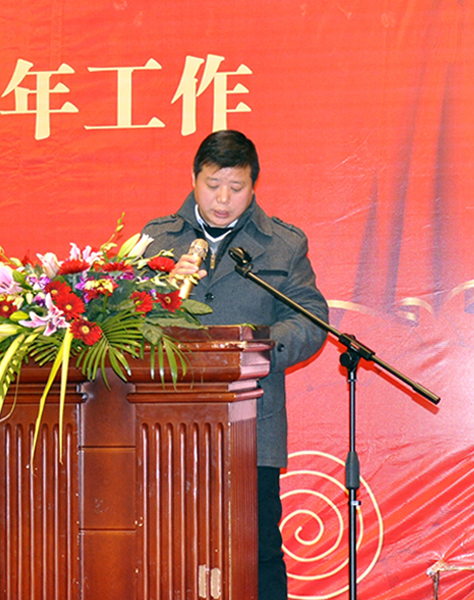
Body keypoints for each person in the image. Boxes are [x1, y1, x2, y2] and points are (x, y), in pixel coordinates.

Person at [142, 130, 329, 599]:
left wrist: (255, 351)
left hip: (253, 425)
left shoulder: (282, 244)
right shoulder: (154, 241)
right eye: (213, 185)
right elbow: (121, 323)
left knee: (258, 552)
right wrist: (157, 292)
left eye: (236, 187)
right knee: (170, 550)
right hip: (167, 425)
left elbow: (310, 320)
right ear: (194, 179)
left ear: (253, 185)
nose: (223, 199)